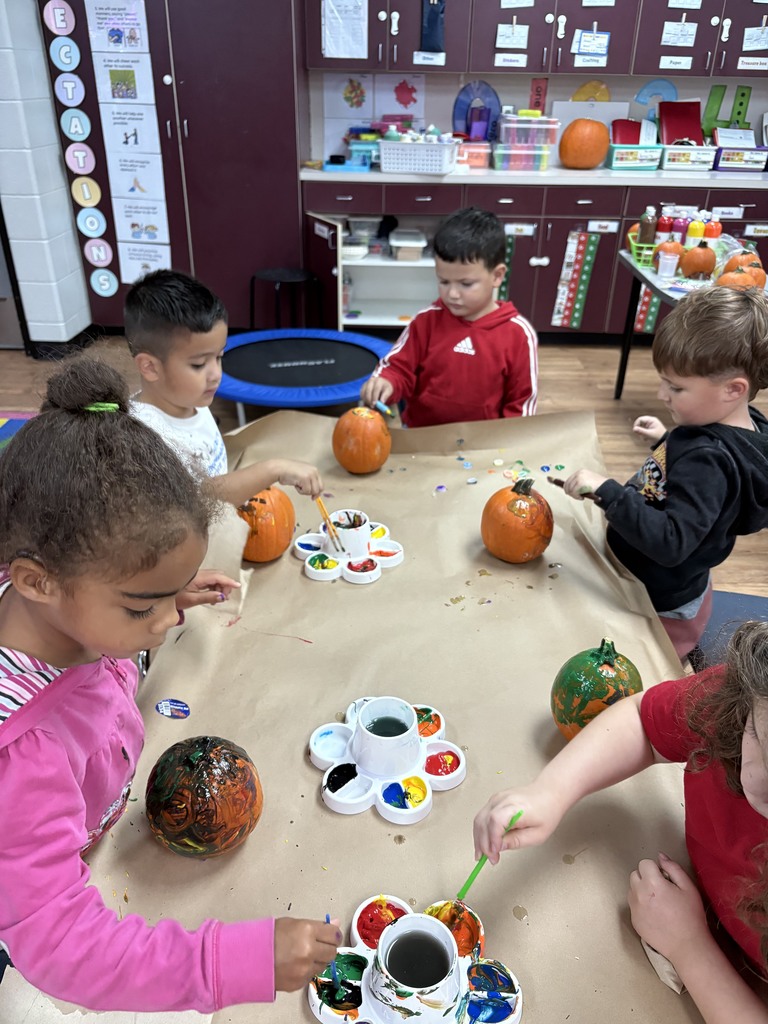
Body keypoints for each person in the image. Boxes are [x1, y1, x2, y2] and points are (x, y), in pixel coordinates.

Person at [0, 359, 340, 1012]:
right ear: (37, 581)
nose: (163, 627)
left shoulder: (62, 601)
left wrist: (164, 593)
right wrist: (232, 962)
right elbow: (58, 941)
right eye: (139, 608)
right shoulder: (24, 757)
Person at [473, 620, 768, 1024]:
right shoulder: (745, 694)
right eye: (757, 735)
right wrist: (551, 791)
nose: (753, 779)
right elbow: (643, 724)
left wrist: (688, 947)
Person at [563, 286, 768, 659]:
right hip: (680, 583)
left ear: (732, 390)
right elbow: (709, 480)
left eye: (676, 387)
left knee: (644, 668)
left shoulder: (708, 461)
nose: (662, 394)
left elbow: (671, 543)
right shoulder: (744, 427)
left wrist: (610, 492)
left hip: (656, 601)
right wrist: (667, 441)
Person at [125, 269, 323, 505]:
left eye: (219, 357)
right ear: (149, 367)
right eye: (198, 364)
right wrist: (273, 469)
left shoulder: (188, 399)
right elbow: (202, 499)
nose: (216, 374)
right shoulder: (145, 439)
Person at [360, 207, 538, 428]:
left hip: (483, 445)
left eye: (466, 284)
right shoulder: (426, 321)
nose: (452, 294)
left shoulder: (518, 334)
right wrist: (386, 382)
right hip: (421, 437)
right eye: (443, 281)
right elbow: (398, 368)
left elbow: (521, 403)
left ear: (497, 276)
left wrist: (510, 441)